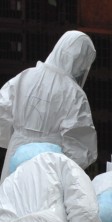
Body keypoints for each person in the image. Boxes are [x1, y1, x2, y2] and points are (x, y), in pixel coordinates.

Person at [0, 31, 97, 182]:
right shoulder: (73, 93)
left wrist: (16, 138)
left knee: (11, 199)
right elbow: (79, 144)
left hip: (16, 151)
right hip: (49, 162)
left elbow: (2, 113)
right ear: (81, 61)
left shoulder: (24, 76)